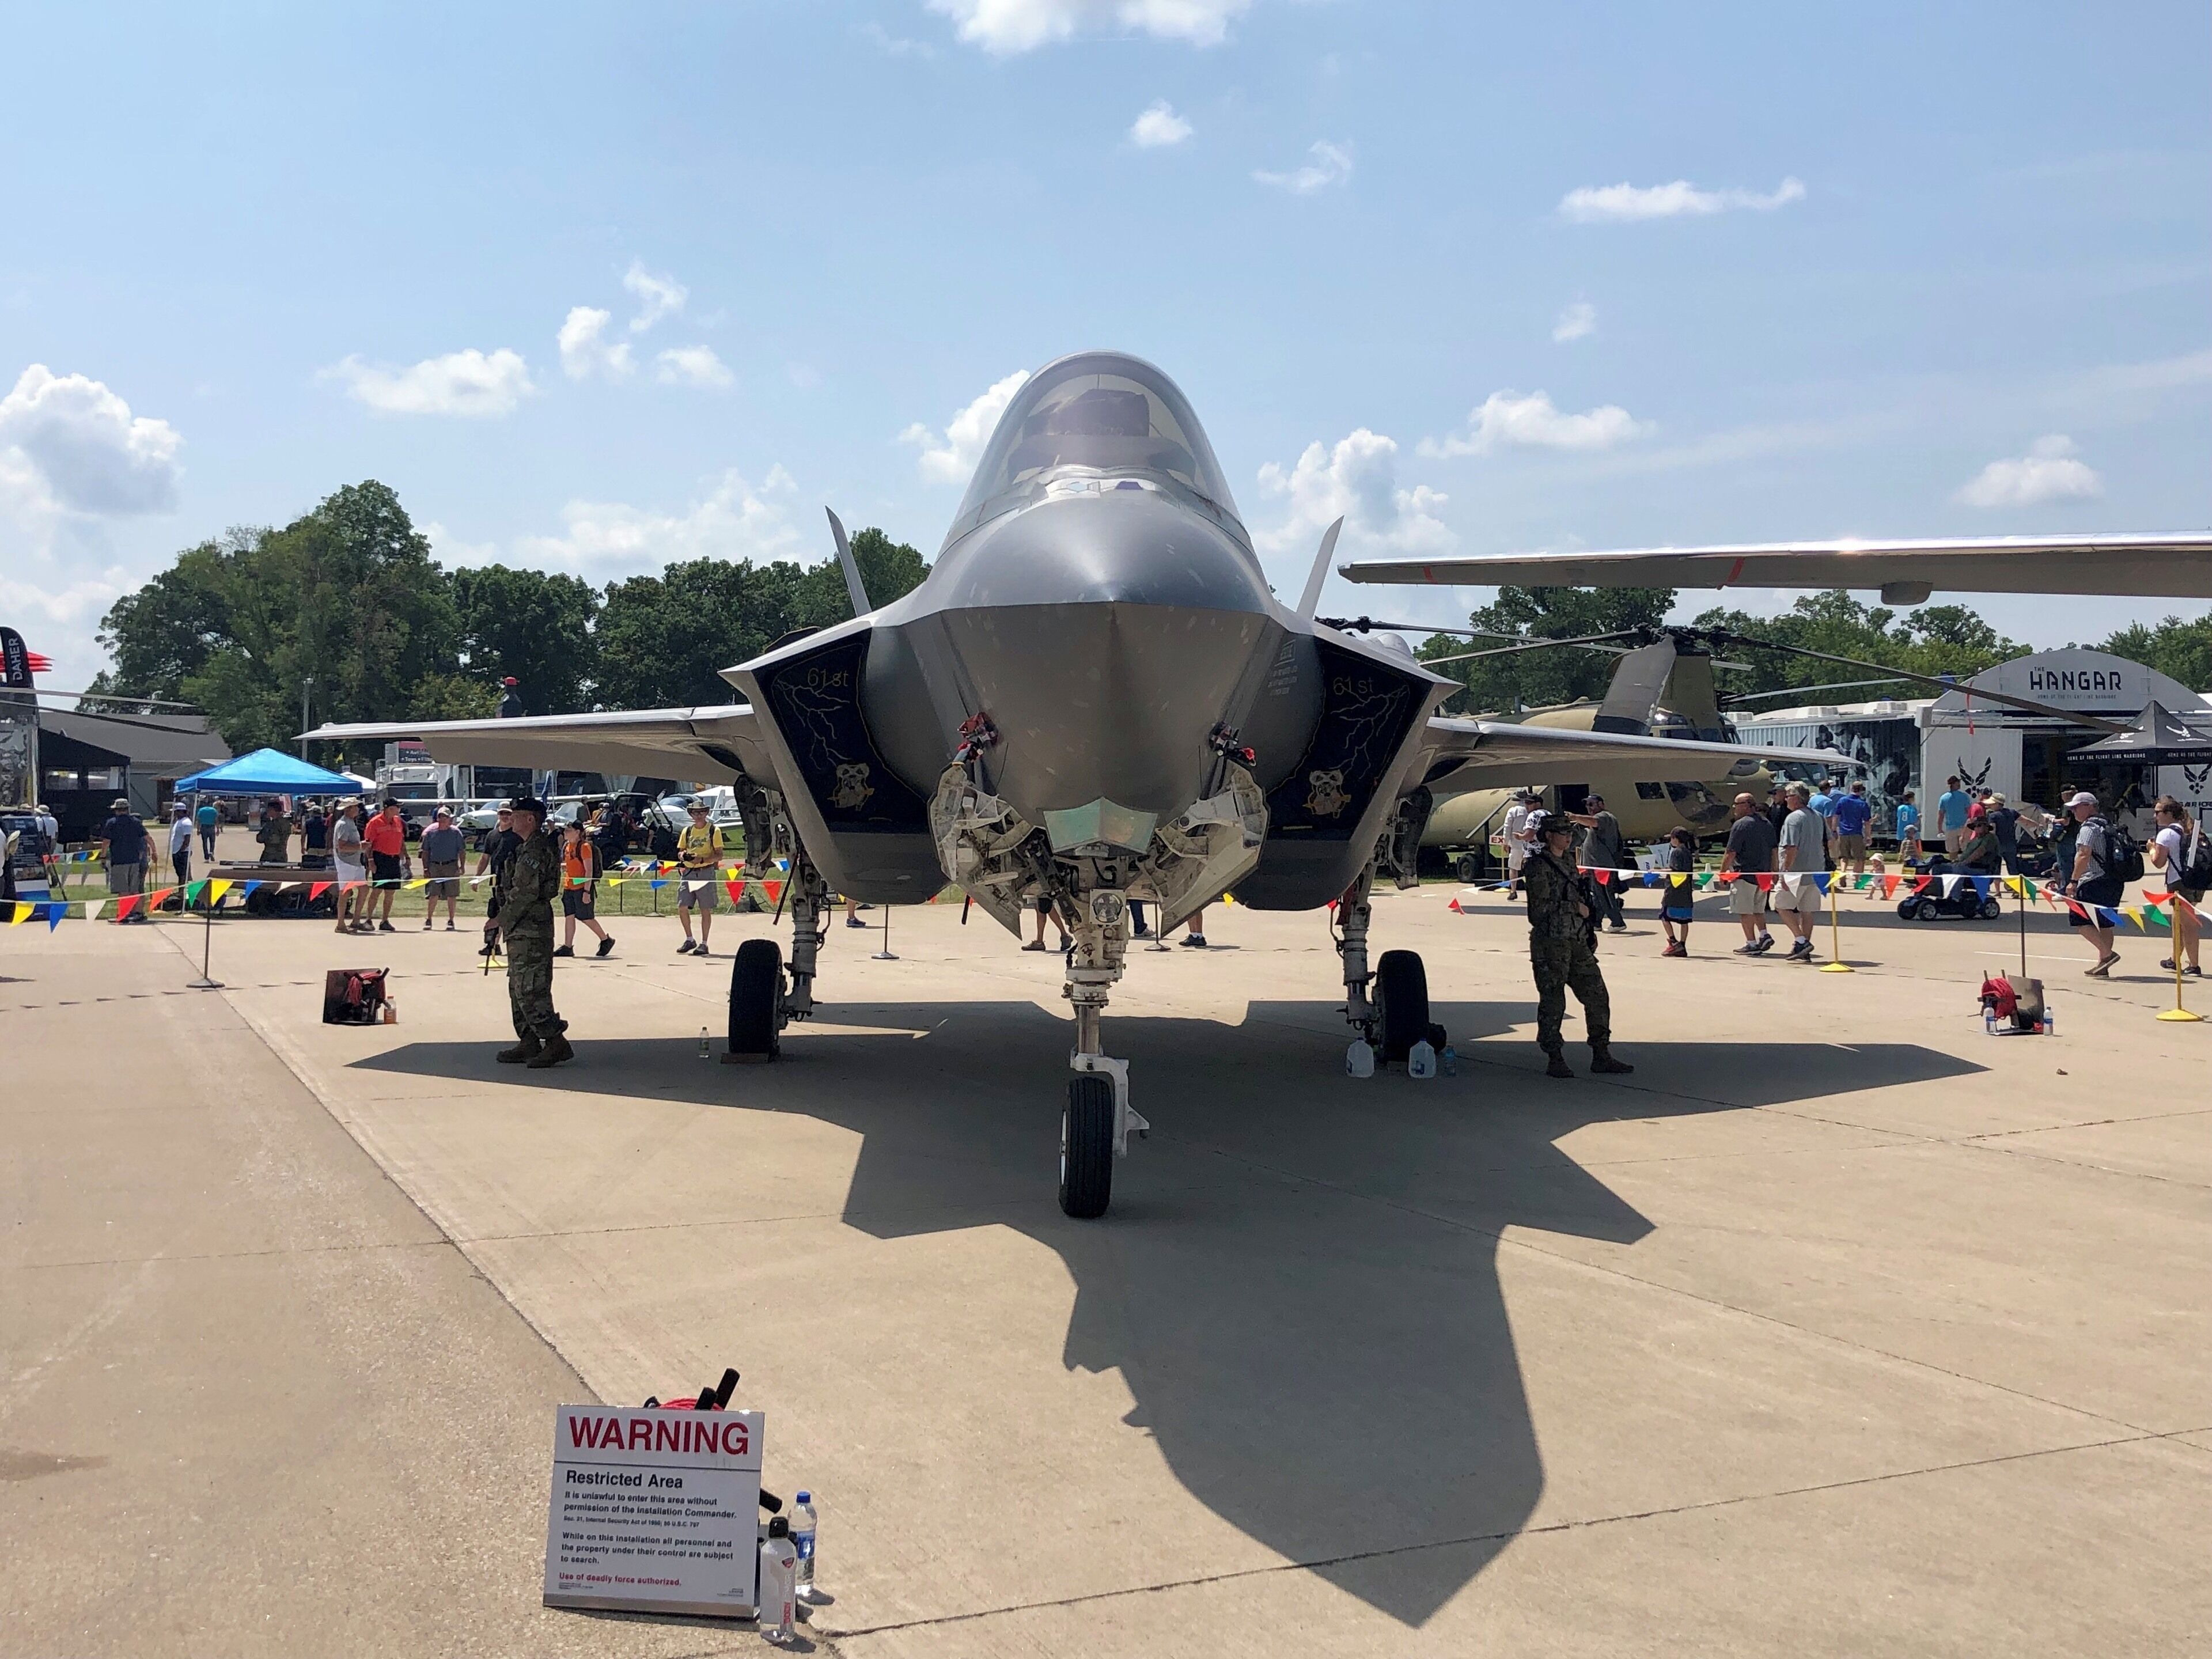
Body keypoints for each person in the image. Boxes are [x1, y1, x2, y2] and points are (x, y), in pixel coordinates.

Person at [1523, 811, 1632, 1079]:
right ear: (1549, 836)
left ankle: (1601, 1052)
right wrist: (1576, 908)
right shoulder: (1538, 866)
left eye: (1571, 833)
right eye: (1564, 833)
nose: (1569, 837)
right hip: (1551, 943)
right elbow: (1538, 911)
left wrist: (1586, 926)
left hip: (1576, 941)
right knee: (1553, 1001)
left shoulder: (1571, 863)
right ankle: (1554, 1055)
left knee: (1597, 996)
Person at [493, 797, 572, 1068]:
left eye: (516, 816)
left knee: (531, 987)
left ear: (530, 820)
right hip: (521, 928)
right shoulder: (522, 848)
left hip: (532, 928)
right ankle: (528, 1040)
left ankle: (554, 1041)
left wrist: (500, 920)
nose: (510, 819)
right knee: (517, 986)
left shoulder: (535, 850)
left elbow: (526, 892)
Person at [2058, 790, 2121, 977]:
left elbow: (2084, 854)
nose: (2074, 812)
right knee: (2106, 924)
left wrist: (2073, 881)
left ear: (2089, 807)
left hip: (2093, 880)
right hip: (2114, 880)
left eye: (2077, 808)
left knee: (2080, 921)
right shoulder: (2108, 824)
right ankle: (2103, 966)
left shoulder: (2088, 828)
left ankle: (2108, 956)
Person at [1773, 782, 1828, 961]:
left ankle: (1801, 940)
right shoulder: (1818, 816)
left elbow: (1791, 847)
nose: (1785, 800)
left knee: (1781, 906)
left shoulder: (1793, 818)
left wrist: (1784, 871)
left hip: (1796, 871)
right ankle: (1804, 948)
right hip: (1816, 870)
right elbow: (1830, 840)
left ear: (1796, 798)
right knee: (1807, 911)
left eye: (1788, 796)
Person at [2149, 794, 2203, 978]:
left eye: (2157, 812)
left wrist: (2151, 849)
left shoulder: (2166, 834)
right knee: (2178, 923)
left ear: (2169, 813)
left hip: (2179, 882)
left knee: (2188, 925)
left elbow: (2158, 863)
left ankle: (2194, 965)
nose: (2155, 816)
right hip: (2194, 880)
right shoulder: (2186, 829)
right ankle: (2174, 959)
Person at [1719, 790, 1777, 956]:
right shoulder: (1766, 823)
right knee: (1758, 910)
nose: (1734, 808)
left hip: (1744, 875)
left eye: (1737, 804)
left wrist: (1723, 873)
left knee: (1745, 911)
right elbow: (1774, 850)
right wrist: (1774, 872)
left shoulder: (1741, 824)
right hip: (1763, 876)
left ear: (1746, 806)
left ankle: (1751, 943)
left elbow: (1730, 852)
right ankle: (1764, 934)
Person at [555, 819, 615, 958]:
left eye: (568, 830)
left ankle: (605, 940)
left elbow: (589, 870)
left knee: (586, 917)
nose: (565, 833)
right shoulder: (567, 846)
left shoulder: (585, 847)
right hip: (569, 887)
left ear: (577, 832)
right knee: (569, 916)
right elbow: (570, 865)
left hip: (582, 887)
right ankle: (568, 946)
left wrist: (587, 891)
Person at [1569, 793, 1628, 932]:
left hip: (1602, 866)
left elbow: (1593, 821)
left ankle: (1617, 922)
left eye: (1591, 804)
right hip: (1596, 866)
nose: (1588, 807)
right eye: (1587, 805)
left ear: (1601, 805)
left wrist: (1575, 817)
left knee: (1605, 896)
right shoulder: (1596, 822)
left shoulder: (1604, 817)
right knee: (1597, 895)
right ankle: (1596, 922)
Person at [675, 800, 721, 956]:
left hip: (705, 872)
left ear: (706, 813)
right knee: (682, 906)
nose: (699, 815)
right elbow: (681, 850)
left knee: (705, 908)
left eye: (701, 812)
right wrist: (683, 856)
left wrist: (701, 860)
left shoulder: (714, 830)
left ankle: (704, 943)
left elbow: (719, 855)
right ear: (691, 815)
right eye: (695, 813)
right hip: (688, 872)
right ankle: (689, 939)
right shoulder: (687, 831)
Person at [475, 804, 521, 957]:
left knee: (509, 911)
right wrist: (478, 877)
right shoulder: (492, 835)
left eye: (508, 813)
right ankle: (493, 944)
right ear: (498, 815)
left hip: (512, 881)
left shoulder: (517, 836)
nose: (505, 816)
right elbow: (485, 858)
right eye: (502, 813)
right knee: (495, 910)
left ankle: (508, 944)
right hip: (496, 881)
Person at [99, 797, 149, 923]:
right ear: (127, 809)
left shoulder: (112, 823)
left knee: (123, 890)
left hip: (119, 860)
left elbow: (106, 842)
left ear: (117, 810)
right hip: (134, 860)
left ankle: (124, 914)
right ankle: (138, 913)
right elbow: (147, 837)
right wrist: (153, 852)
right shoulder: (136, 822)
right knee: (135, 889)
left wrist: (103, 857)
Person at [362, 798, 407, 931]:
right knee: (377, 891)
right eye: (396, 807)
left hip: (394, 860)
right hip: (380, 859)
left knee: (390, 892)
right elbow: (368, 844)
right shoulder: (375, 823)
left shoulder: (398, 822)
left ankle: (385, 920)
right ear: (388, 808)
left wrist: (406, 857)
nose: (399, 810)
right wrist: (371, 861)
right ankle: (369, 919)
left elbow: (401, 841)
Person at [419, 805, 467, 931]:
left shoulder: (456, 833)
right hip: (435, 866)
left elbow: (462, 851)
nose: (444, 820)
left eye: (446, 817)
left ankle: (451, 920)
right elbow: (425, 852)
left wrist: (462, 866)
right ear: (438, 819)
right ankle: (429, 919)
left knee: (452, 895)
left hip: (451, 866)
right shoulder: (431, 833)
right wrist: (425, 869)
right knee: (433, 894)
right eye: (441, 817)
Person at [1658, 827, 1696, 957]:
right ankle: (1683, 944)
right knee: (1684, 920)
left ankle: (1673, 942)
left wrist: (1658, 871)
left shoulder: (1676, 852)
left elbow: (1674, 870)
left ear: (1676, 839)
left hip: (1674, 890)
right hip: (1686, 890)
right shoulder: (1688, 852)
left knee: (1664, 916)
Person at [331, 800, 368, 933]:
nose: (358, 809)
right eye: (356, 807)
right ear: (348, 809)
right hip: (346, 863)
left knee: (364, 889)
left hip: (356, 862)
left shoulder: (351, 823)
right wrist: (360, 846)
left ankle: (356, 921)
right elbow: (341, 846)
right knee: (345, 892)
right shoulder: (343, 824)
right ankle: (340, 924)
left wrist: (360, 845)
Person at [1832, 781, 1873, 885]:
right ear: (1861, 790)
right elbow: (1867, 822)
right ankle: (1857, 879)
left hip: (1843, 832)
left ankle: (1843, 873)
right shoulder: (1862, 803)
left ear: (1851, 788)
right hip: (1857, 833)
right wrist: (1868, 836)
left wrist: (1834, 830)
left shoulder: (1842, 801)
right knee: (1860, 858)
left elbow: (1836, 816)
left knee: (1843, 857)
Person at [1502, 790, 1533, 895]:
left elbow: (1507, 827)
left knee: (1513, 868)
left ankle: (1513, 890)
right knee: (1529, 868)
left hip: (1516, 844)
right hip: (1529, 843)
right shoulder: (1530, 811)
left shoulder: (1513, 811)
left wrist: (1505, 842)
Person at [1985, 791, 2023, 876]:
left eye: (1992, 804)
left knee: (1996, 868)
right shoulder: (2012, 812)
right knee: (2013, 868)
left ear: (1997, 804)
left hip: (1998, 846)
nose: (1990, 806)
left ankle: (1997, 888)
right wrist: (2037, 825)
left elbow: (1992, 831)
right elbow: (2025, 820)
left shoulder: (1993, 816)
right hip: (2011, 844)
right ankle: (2015, 887)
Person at [1936, 775, 1973, 857]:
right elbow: (1970, 812)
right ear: (1954, 784)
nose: (1959, 784)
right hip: (1964, 827)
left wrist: (1940, 829)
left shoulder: (1944, 798)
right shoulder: (1964, 797)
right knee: (1966, 851)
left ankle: (1954, 867)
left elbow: (1941, 815)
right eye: (1958, 782)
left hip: (1950, 828)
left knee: (1952, 852)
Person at [256, 796, 292, 865]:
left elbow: (260, 839)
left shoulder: (273, 824)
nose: (268, 812)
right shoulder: (286, 823)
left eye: (269, 810)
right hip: (281, 856)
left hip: (271, 856)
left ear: (273, 810)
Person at [166, 801, 194, 889]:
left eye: (176, 812)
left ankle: (183, 892)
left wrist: (181, 850)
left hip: (182, 852)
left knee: (183, 874)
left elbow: (187, 839)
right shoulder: (179, 821)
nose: (174, 814)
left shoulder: (186, 823)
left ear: (181, 811)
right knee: (180, 873)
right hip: (177, 851)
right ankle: (181, 891)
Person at [301, 800, 330, 869]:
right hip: (323, 847)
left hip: (311, 847)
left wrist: (302, 847)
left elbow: (303, 835)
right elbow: (328, 835)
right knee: (322, 866)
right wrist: (328, 846)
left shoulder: (308, 822)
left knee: (312, 866)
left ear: (313, 813)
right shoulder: (325, 821)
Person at [1893, 790, 1921, 864]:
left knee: (1902, 847)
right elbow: (1914, 821)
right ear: (1911, 799)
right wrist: (1919, 818)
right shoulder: (1912, 809)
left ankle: (1901, 860)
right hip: (1910, 831)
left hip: (1901, 831)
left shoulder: (1900, 808)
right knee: (1912, 847)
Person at [194, 795, 219, 860]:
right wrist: (218, 829)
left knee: (205, 842)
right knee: (212, 841)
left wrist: (198, 829)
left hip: (204, 827)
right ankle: (211, 852)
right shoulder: (214, 810)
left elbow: (198, 821)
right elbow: (216, 820)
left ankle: (206, 857)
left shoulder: (201, 810)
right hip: (211, 827)